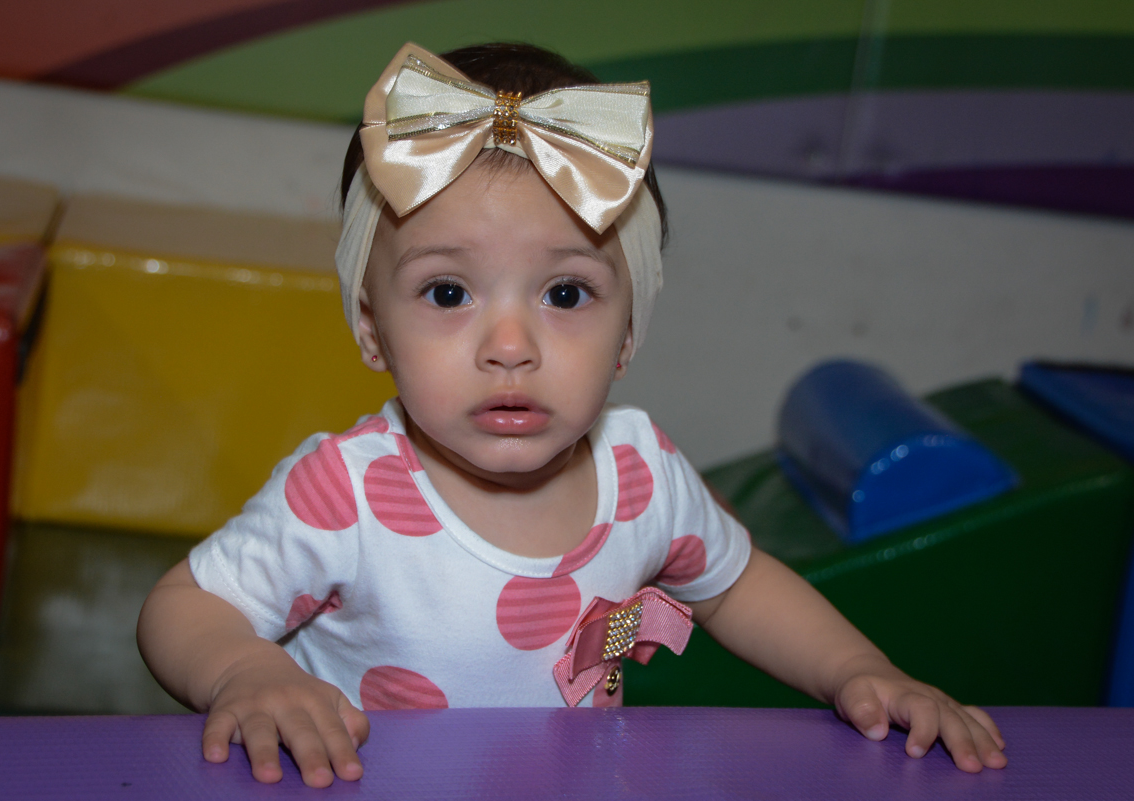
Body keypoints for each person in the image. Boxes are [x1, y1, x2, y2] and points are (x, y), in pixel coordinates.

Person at [137, 41, 1007, 789]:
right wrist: (246, 670)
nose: (510, 344)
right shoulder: (348, 491)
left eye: (565, 292)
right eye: (448, 292)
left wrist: (861, 669)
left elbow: (737, 585)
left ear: (627, 335)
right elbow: (184, 605)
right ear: (372, 328)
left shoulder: (641, 475)